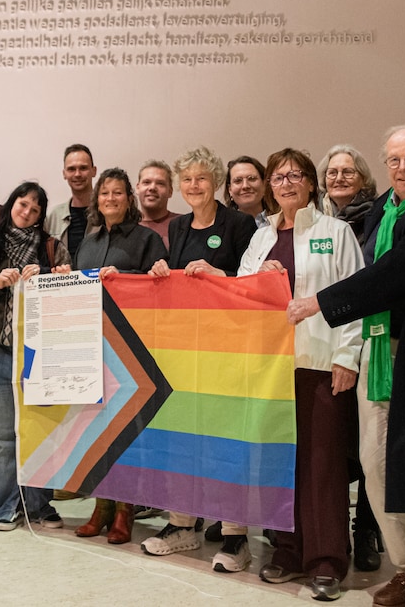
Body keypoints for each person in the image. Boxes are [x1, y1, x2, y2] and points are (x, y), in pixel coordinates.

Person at [288, 126, 405, 607]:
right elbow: (373, 275)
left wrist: (320, 303)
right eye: (394, 160)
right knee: (376, 469)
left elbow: (394, 273)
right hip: (381, 355)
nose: (403, 168)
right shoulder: (381, 212)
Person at [238, 148, 364, 601]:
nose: (286, 183)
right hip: (272, 367)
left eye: (295, 175)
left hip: (319, 363)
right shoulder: (260, 238)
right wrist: (259, 276)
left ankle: (327, 560)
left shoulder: (336, 232)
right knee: (281, 462)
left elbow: (352, 296)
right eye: (278, 177)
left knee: (323, 465)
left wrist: (347, 357)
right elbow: (242, 294)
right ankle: (288, 551)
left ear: (311, 183)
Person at [141, 146, 256, 568]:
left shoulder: (240, 224)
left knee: (226, 441)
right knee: (183, 438)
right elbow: (177, 283)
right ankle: (182, 525)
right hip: (187, 350)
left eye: (201, 179)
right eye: (186, 179)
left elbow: (253, 282)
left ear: (216, 182)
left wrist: (217, 275)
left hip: (228, 350)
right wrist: (161, 274)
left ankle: (235, 537)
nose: (193, 186)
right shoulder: (180, 226)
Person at [0, 181, 71, 531]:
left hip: (41, 357)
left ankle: (39, 505)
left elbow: (72, 300)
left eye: (35, 210)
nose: (27, 212)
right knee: (5, 438)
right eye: (22, 205)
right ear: (11, 205)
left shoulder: (53, 248)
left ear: (41, 217)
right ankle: (6, 507)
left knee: (41, 432)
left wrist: (57, 280)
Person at [71, 167, 167, 544]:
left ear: (129, 199)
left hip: (132, 351)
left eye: (118, 193)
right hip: (93, 348)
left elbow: (158, 289)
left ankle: (126, 508)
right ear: (97, 201)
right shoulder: (88, 242)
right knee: (97, 429)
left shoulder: (147, 239)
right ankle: (102, 505)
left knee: (130, 432)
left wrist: (124, 278)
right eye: (104, 193)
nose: (110, 199)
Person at [316, 143, 383, 571]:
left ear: (362, 178)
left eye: (348, 171)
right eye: (332, 172)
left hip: (368, 340)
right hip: (322, 347)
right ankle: (334, 528)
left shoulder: (377, 219)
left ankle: (367, 530)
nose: (339, 178)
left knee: (369, 446)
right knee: (333, 448)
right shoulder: (315, 223)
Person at [45, 143, 98, 254]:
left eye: (83, 168)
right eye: (71, 169)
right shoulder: (53, 217)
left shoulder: (106, 213)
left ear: (94, 171)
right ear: (64, 174)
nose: (77, 174)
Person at [223, 155, 279, 228]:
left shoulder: (281, 221)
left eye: (252, 179)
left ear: (264, 184)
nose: (245, 186)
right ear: (229, 190)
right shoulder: (223, 227)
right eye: (238, 181)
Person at [135, 160, 180, 249]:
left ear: (170, 191)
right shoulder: (126, 228)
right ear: (137, 188)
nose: (152, 188)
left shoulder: (183, 225)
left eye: (160, 183)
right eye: (146, 182)